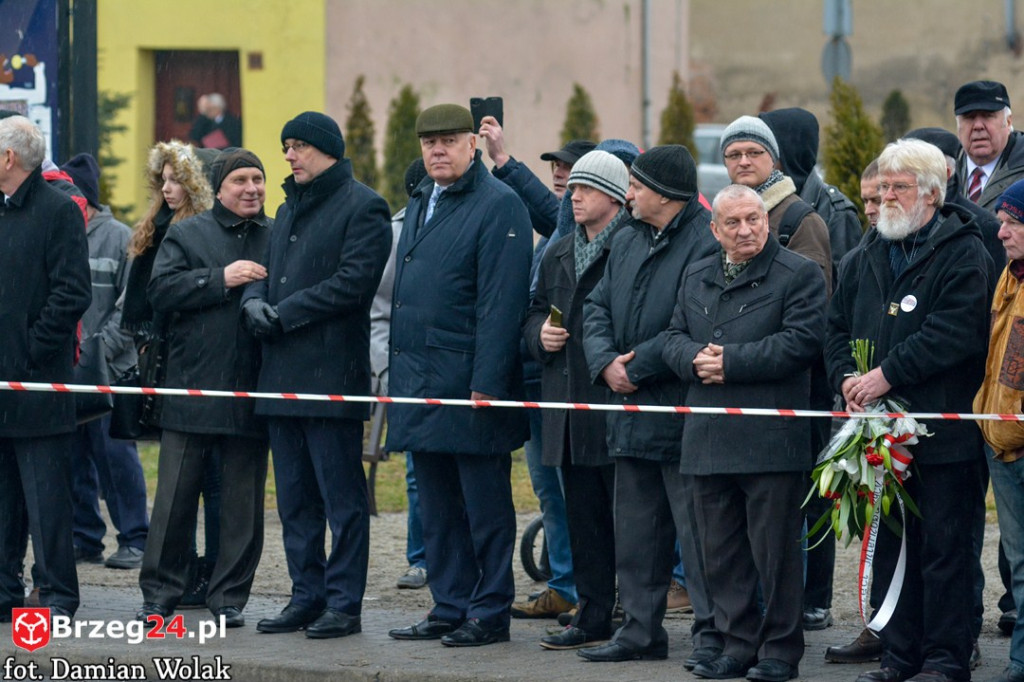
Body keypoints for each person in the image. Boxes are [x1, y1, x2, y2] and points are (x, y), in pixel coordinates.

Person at [826, 139, 991, 682]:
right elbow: (836, 328)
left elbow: (956, 332)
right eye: (883, 187)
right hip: (881, 434)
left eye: (900, 187)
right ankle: (900, 654)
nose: (887, 197)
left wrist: (887, 374)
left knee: (945, 549)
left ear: (932, 193)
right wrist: (846, 378)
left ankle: (945, 658)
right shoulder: (867, 252)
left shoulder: (964, 250)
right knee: (895, 546)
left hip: (944, 434)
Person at [662, 184, 826, 681]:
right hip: (707, 436)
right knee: (721, 554)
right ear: (715, 230)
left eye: (754, 219)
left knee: (775, 555)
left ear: (767, 220)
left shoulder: (798, 274)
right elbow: (671, 336)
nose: (746, 230)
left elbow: (802, 342)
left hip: (770, 438)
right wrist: (692, 359)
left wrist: (731, 363)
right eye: (733, 223)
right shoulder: (696, 274)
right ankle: (737, 644)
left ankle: (779, 651)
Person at [386, 103, 532, 647]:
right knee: (437, 504)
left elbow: (502, 302)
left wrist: (488, 382)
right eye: (429, 143)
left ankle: (490, 610)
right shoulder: (423, 196)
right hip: (421, 378)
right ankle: (450, 604)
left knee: (483, 504)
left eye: (448, 141)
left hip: (471, 383)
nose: (437, 151)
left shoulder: (500, 205)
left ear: (473, 144)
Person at [245, 112, 391, 640]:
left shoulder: (363, 206)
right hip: (280, 376)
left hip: (331, 376)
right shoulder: (285, 209)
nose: (288, 155)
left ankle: (344, 604)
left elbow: (353, 284)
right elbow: (264, 273)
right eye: (286, 146)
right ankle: (305, 596)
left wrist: (283, 313)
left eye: (299, 146)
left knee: (342, 502)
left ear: (327, 150)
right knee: (295, 502)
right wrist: (254, 304)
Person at [578, 145, 721, 666]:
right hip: (629, 416)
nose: (628, 194)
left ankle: (711, 637)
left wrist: (632, 369)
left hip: (680, 414)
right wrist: (604, 363)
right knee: (636, 537)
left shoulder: (707, 239)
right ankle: (639, 631)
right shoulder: (627, 236)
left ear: (664, 193)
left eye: (635, 186)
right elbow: (594, 305)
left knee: (698, 539)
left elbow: (693, 322)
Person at [136, 148, 272, 629]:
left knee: (241, 506)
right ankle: (160, 594)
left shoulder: (275, 236)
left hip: (251, 391)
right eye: (240, 180)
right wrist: (220, 279)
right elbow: (161, 292)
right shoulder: (188, 233)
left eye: (258, 179)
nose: (252, 188)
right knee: (173, 502)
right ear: (219, 188)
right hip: (191, 388)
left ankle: (229, 597)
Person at [522, 150, 629, 649]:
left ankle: (635, 614)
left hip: (615, 406)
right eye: (573, 188)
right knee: (582, 520)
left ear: (612, 195)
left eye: (584, 188)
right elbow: (533, 312)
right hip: (565, 409)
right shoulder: (559, 250)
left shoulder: (631, 246)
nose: (573, 196)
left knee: (628, 522)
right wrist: (538, 336)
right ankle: (591, 614)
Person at [479, 116, 583, 619]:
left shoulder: (578, 233)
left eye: (571, 171)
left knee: (573, 490)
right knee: (548, 488)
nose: (561, 177)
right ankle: (564, 583)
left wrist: (502, 162)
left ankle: (592, 589)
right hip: (535, 380)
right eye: (558, 168)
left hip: (568, 386)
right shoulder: (557, 232)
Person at [0, 115, 92, 621]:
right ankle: (3, 591)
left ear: (9, 158)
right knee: (2, 499)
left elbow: (71, 292)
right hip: (0, 384)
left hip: (37, 382)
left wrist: (32, 351)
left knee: (47, 500)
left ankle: (56, 595)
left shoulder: (58, 211)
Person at [121, 139, 219, 607]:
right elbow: (140, 296)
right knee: (175, 480)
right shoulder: (153, 227)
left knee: (208, 478)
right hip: (158, 360)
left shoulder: (200, 230)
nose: (167, 187)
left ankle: (207, 573)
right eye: (162, 178)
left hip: (195, 361)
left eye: (177, 178)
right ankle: (177, 570)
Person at [59, 152, 149, 570]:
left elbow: (130, 307)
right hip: (67, 371)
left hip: (108, 372)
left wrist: (97, 351)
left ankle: (134, 537)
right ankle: (85, 537)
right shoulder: (59, 231)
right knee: (73, 456)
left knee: (115, 457)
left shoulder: (119, 238)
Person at [370, 158, 430, 591]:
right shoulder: (396, 232)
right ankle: (421, 557)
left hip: (454, 371)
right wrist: (388, 375)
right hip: (406, 374)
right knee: (416, 471)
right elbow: (379, 311)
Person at [974, 178, 1024, 682]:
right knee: (1021, 564)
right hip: (1002, 442)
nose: (1001, 232)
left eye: (1012, 223)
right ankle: (1019, 662)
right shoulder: (1008, 276)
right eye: (1002, 221)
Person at [720, 115, 832, 292]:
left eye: (754, 152)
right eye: (734, 155)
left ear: (773, 157)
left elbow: (812, 299)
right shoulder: (720, 215)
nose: (743, 162)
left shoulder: (803, 221)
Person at [954, 80, 1024, 211]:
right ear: (958, 127)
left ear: (1008, 123)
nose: (978, 126)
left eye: (988, 116)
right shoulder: (940, 171)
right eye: (969, 117)